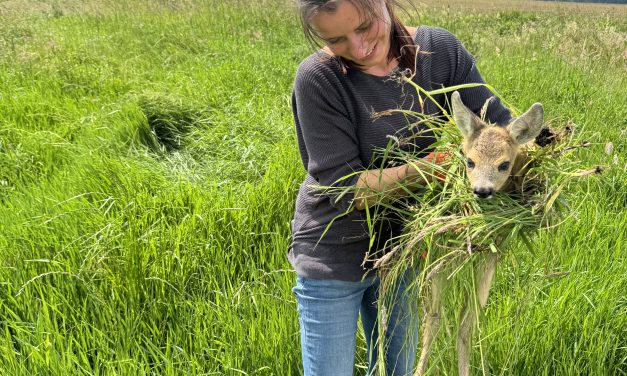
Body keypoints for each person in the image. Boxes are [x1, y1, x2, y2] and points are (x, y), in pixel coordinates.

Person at [288, 0, 512, 374]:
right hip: (332, 255)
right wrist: (431, 169)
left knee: (399, 370)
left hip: (402, 249)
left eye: (364, 27)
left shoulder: (439, 52)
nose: (359, 48)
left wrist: (538, 158)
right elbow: (348, 190)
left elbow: (499, 125)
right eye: (337, 40)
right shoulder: (318, 78)